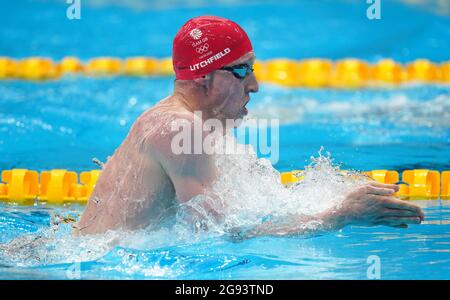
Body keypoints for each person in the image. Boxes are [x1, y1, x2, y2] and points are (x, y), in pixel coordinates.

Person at [75, 16, 424, 237]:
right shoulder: (182, 131)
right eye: (242, 70)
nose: (254, 84)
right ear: (203, 76)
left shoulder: (177, 122)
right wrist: (338, 215)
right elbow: (217, 237)